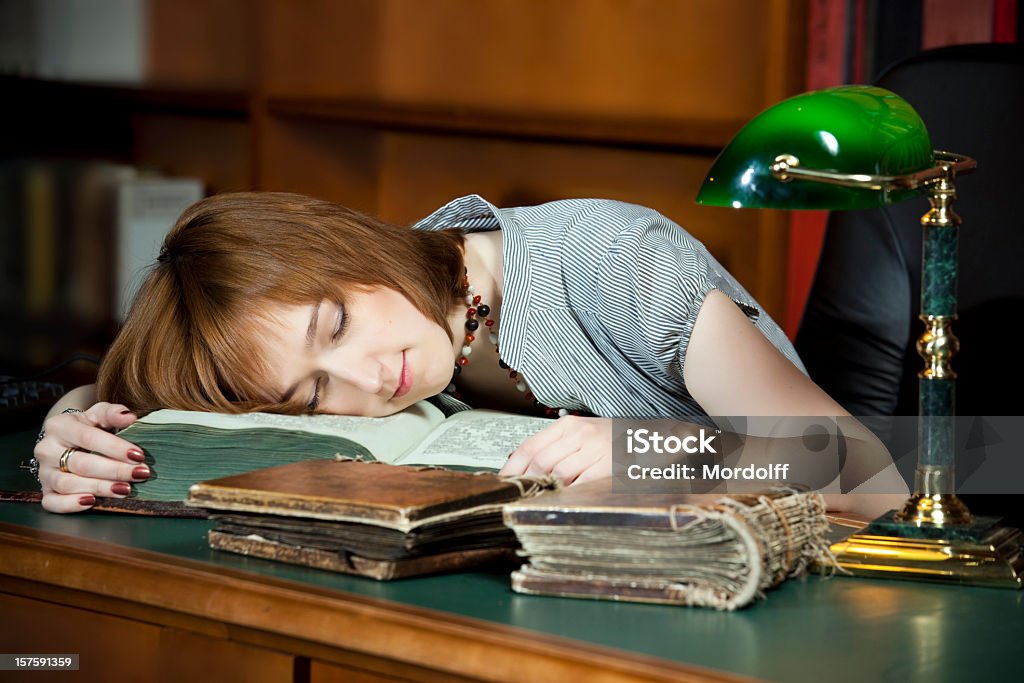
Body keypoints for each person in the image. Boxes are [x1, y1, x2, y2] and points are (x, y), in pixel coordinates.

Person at [33, 192, 907, 515]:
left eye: (334, 326)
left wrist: (644, 452)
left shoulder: (614, 258)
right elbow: (152, 396)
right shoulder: (403, 321)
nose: (369, 380)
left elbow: (876, 473)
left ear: (351, 245)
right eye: (310, 396)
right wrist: (73, 420)